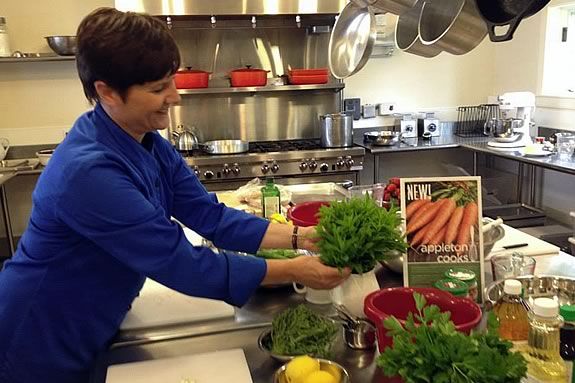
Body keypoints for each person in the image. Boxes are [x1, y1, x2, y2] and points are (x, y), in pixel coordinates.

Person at [0, 8, 350, 383]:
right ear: (106, 92)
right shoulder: (89, 172)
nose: (176, 96)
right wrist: (296, 270)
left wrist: (300, 237)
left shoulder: (145, 140)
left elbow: (209, 216)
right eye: (157, 88)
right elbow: (179, 262)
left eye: (172, 80)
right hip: (39, 337)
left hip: (98, 319)